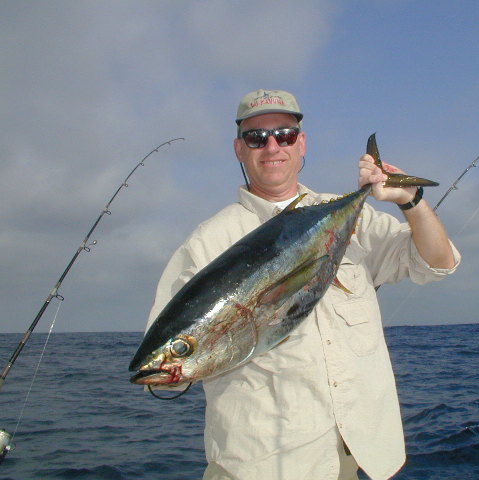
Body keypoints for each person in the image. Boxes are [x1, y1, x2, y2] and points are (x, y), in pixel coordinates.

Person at [145, 89, 460, 480]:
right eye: (256, 137)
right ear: (239, 149)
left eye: (285, 134)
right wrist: (181, 366)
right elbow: (165, 366)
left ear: (302, 142)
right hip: (264, 466)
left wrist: (410, 200)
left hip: (357, 454)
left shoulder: (352, 218)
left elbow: (438, 264)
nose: (272, 146)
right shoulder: (205, 243)